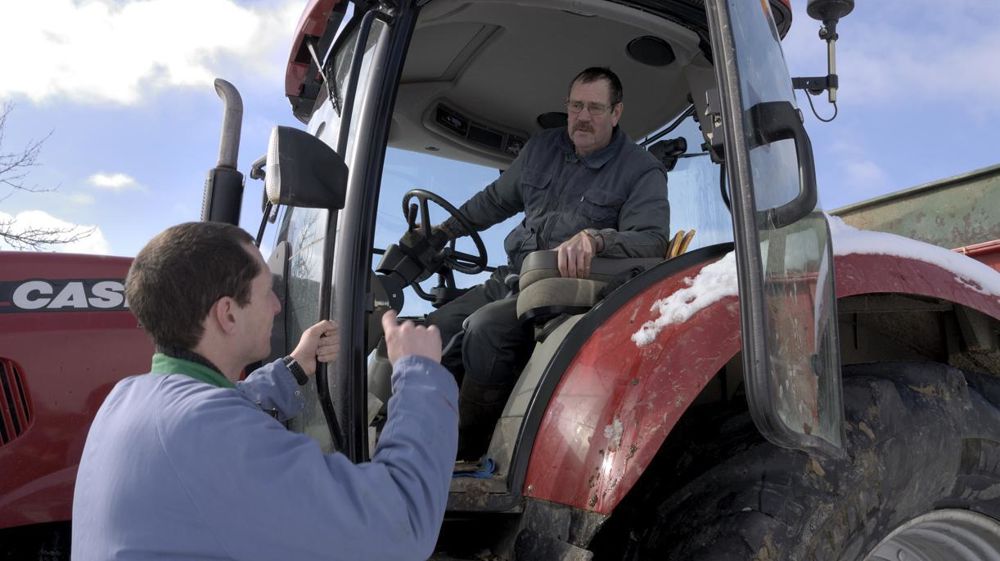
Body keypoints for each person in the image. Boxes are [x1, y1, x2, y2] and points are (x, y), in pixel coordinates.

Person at [72, 221, 458, 561]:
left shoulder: (127, 399)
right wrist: (418, 373)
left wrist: (295, 367)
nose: (277, 306)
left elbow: (223, 408)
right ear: (227, 314)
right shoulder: (208, 436)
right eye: (267, 291)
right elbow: (400, 526)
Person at [423, 67, 670, 460]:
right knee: (428, 334)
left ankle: (467, 456)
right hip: (511, 279)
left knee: (485, 329)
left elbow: (652, 241)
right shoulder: (542, 149)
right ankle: (410, 443)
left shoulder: (640, 170)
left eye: (594, 107)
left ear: (616, 112)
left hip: (560, 297)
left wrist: (596, 238)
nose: (582, 117)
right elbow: (494, 200)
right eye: (575, 106)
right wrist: (442, 232)